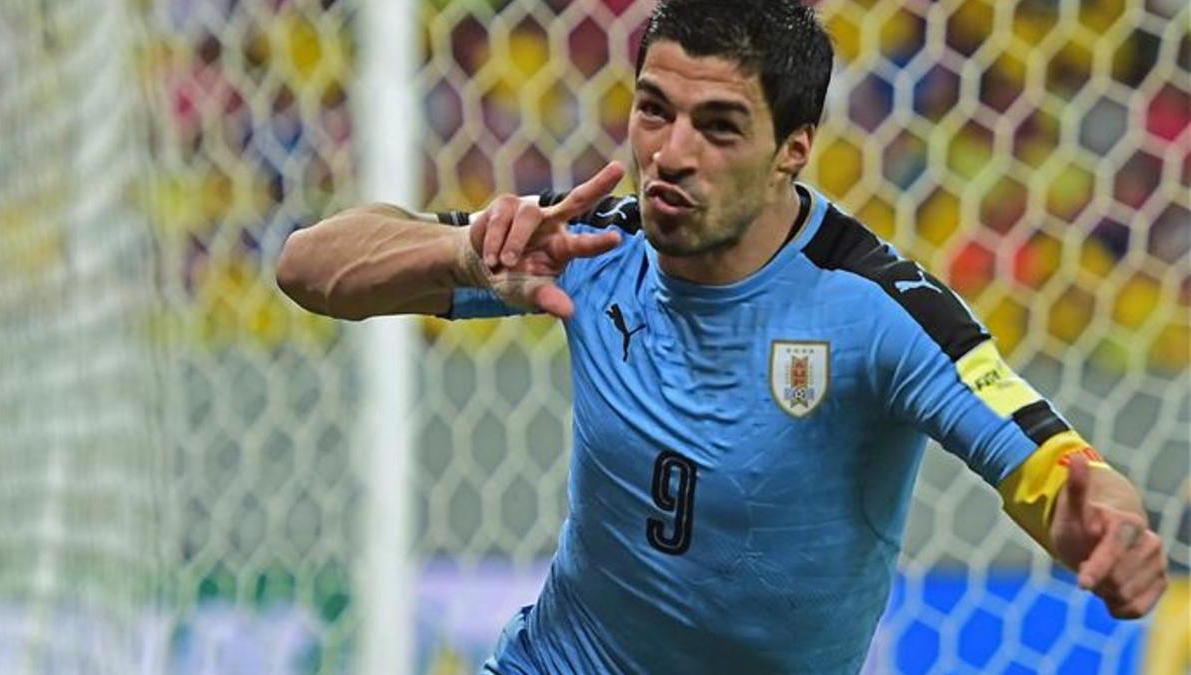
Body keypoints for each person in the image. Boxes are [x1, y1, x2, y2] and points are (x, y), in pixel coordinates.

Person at [276, 1, 1168, 672]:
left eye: (719, 126)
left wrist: (1108, 526)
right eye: (654, 109)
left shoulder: (876, 309)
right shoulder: (588, 247)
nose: (670, 151)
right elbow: (308, 267)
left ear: (794, 148)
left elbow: (1051, 464)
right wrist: (465, 254)